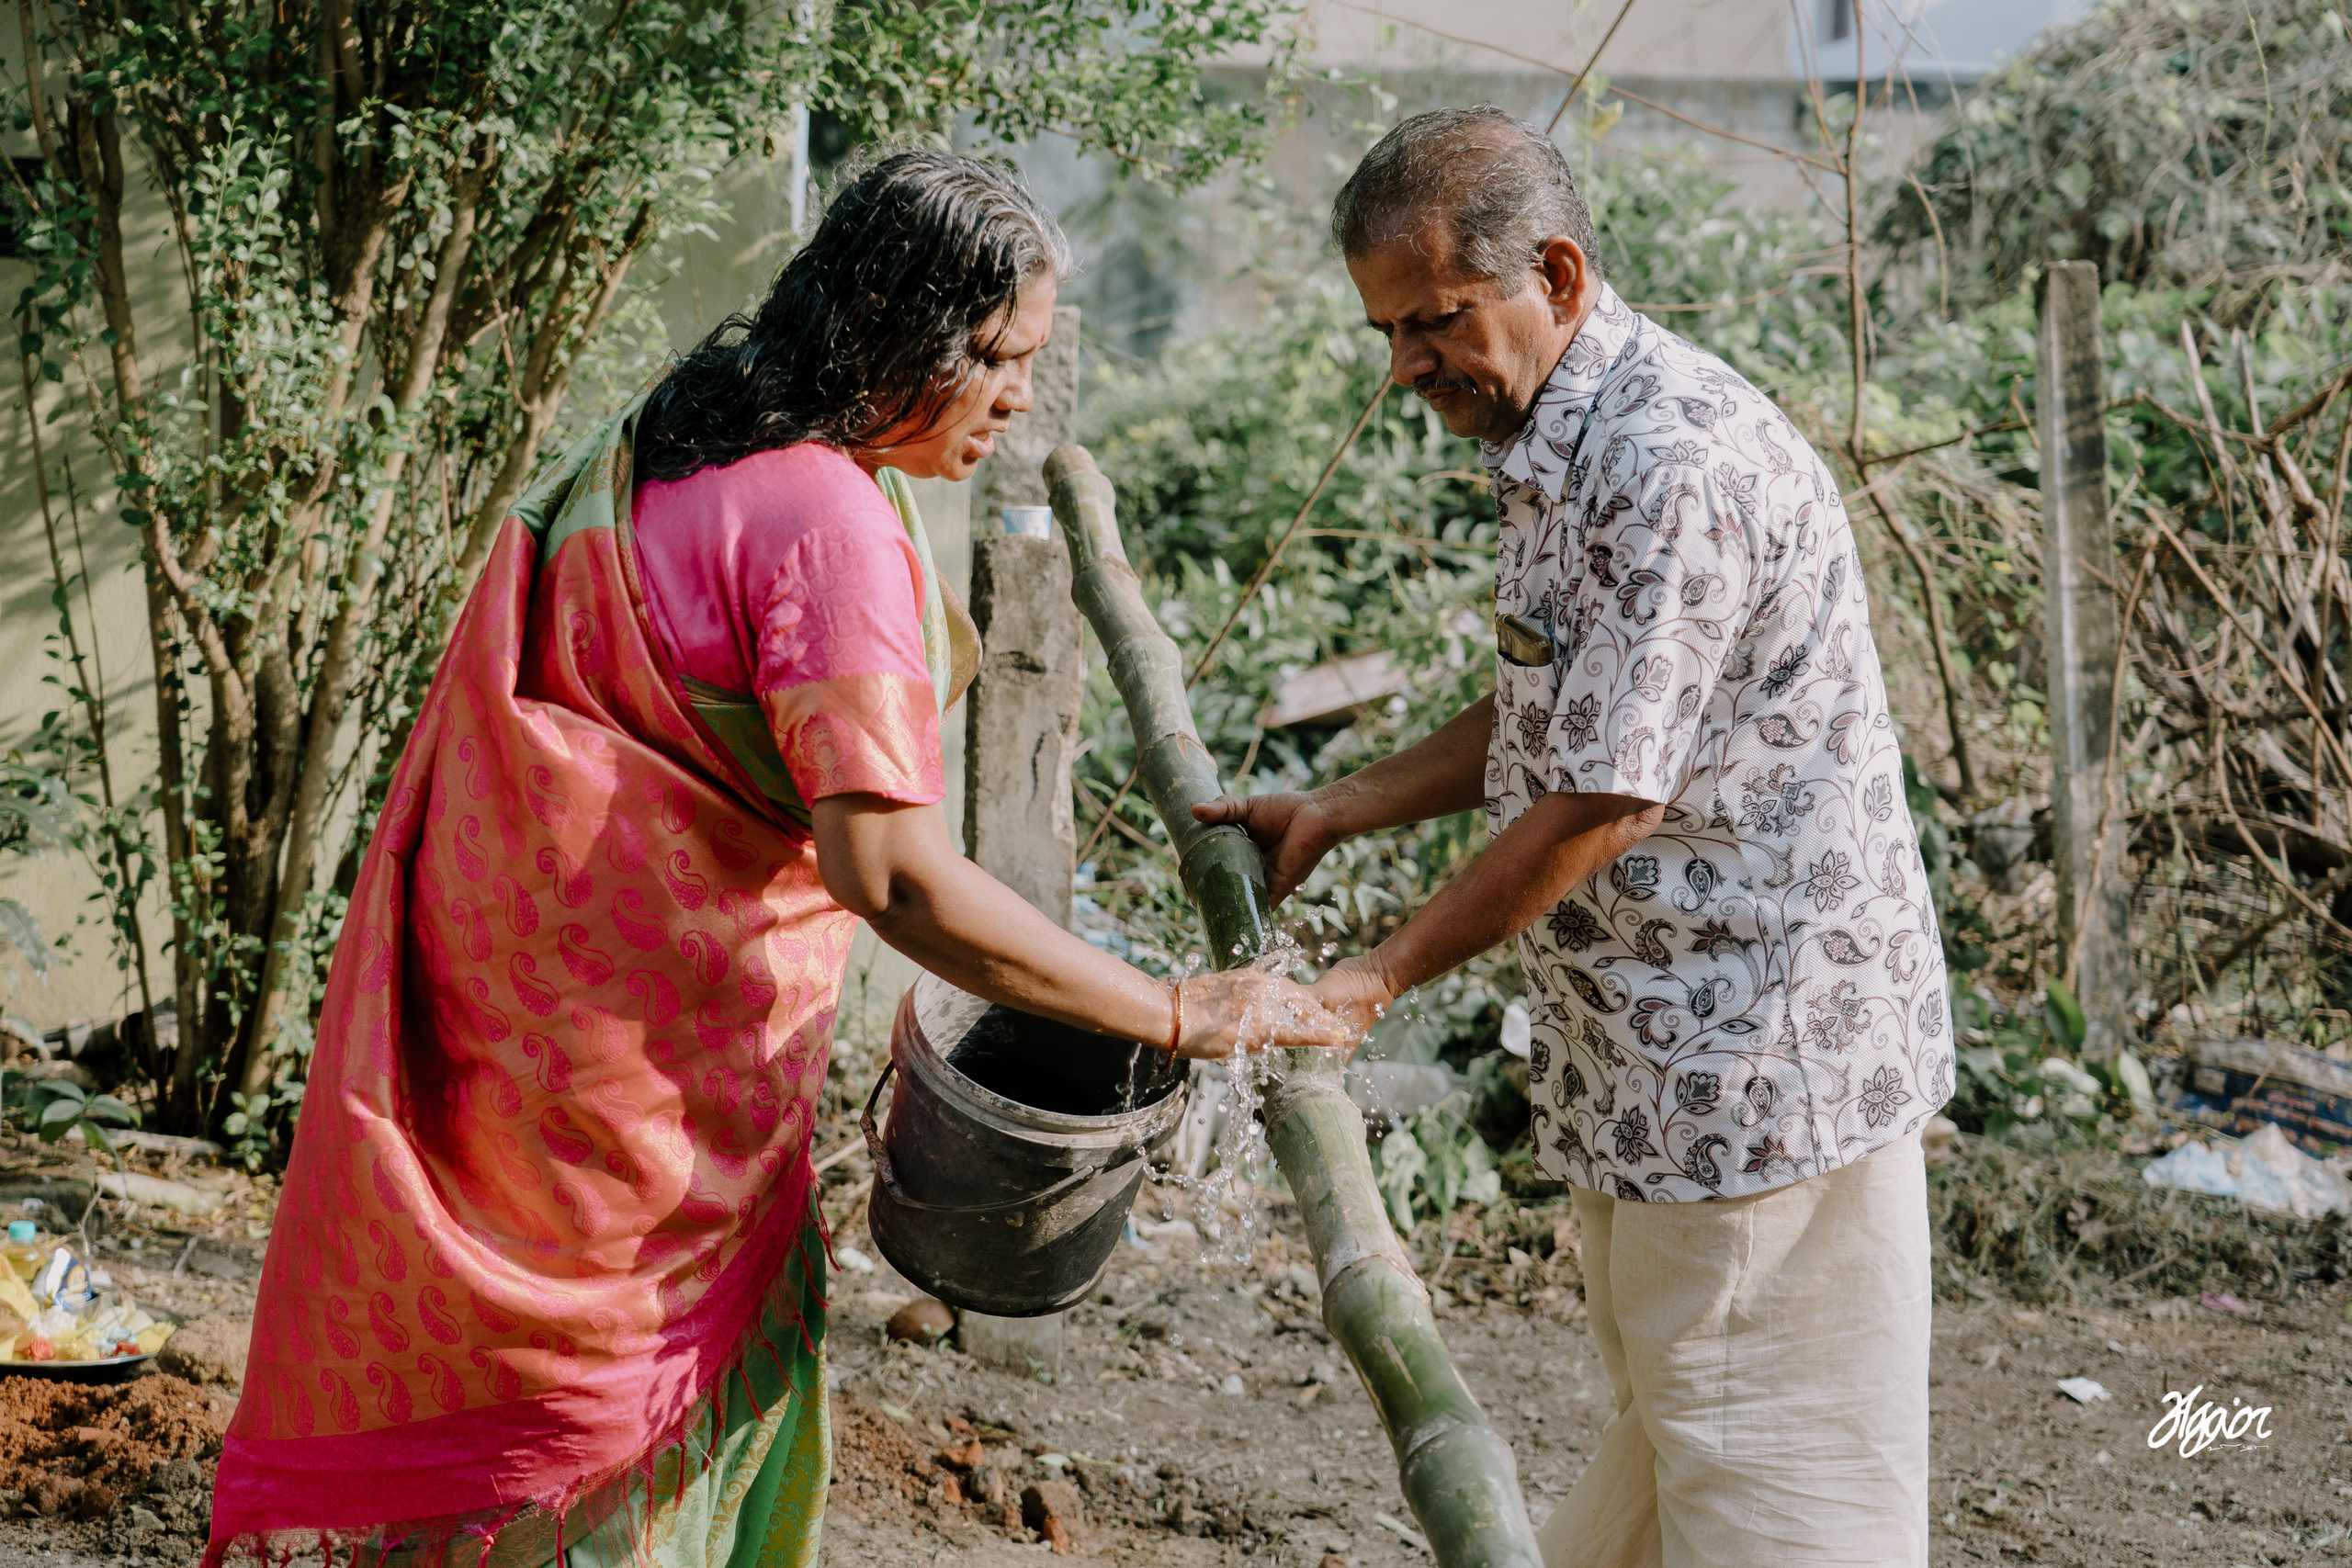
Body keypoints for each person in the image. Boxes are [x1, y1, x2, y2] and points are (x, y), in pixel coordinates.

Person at [207, 151, 1348, 1568]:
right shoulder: (830, 524)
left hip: (516, 1067)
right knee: (617, 1475)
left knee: (482, 1474)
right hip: (647, 1136)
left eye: (1034, 362)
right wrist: (1179, 1011)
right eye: (992, 356)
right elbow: (897, 878)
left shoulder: (660, 440)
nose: (1018, 397)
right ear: (887, 325)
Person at [1198, 108, 1953, 1568]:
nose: (1406, 365)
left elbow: (1605, 795)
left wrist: (1364, 984)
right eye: (1386, 332)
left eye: (1431, 322)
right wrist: (1342, 807)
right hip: (1652, 1073)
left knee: (1779, 1493)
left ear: (1556, 269)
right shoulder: (1566, 426)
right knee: (1689, 1435)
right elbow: (1564, 709)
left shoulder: (1668, 464)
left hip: (1752, 1079)